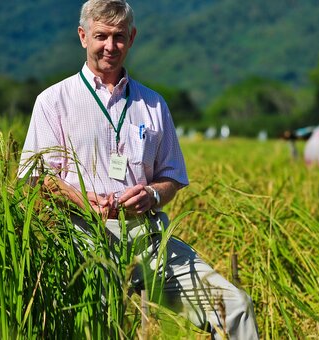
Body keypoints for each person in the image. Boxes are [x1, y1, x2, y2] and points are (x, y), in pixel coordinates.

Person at [17, 0, 259, 338]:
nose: (110, 46)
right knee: (102, 327)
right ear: (83, 36)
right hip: (82, 237)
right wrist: (84, 199)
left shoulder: (153, 104)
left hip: (148, 238)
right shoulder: (54, 101)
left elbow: (172, 177)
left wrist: (151, 195)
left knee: (234, 307)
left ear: (132, 38)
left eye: (119, 37)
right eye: (101, 36)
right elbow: (37, 178)